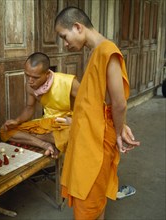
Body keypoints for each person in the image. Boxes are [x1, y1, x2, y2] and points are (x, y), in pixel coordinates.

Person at [54, 7, 140, 219]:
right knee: (94, 195)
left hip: (97, 139)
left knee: (90, 196)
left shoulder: (106, 51)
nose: (65, 44)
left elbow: (118, 103)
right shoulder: (97, 52)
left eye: (64, 36)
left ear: (77, 27)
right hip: (89, 135)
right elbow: (99, 101)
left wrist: (120, 131)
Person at [0, 52, 80, 158]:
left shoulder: (68, 82)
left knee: (71, 136)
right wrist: (17, 121)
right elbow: (29, 108)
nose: (30, 81)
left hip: (69, 122)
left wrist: (74, 121)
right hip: (48, 123)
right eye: (27, 75)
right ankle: (45, 144)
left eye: (35, 77)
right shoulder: (30, 86)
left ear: (47, 74)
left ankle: (41, 139)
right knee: (5, 130)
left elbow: (92, 104)